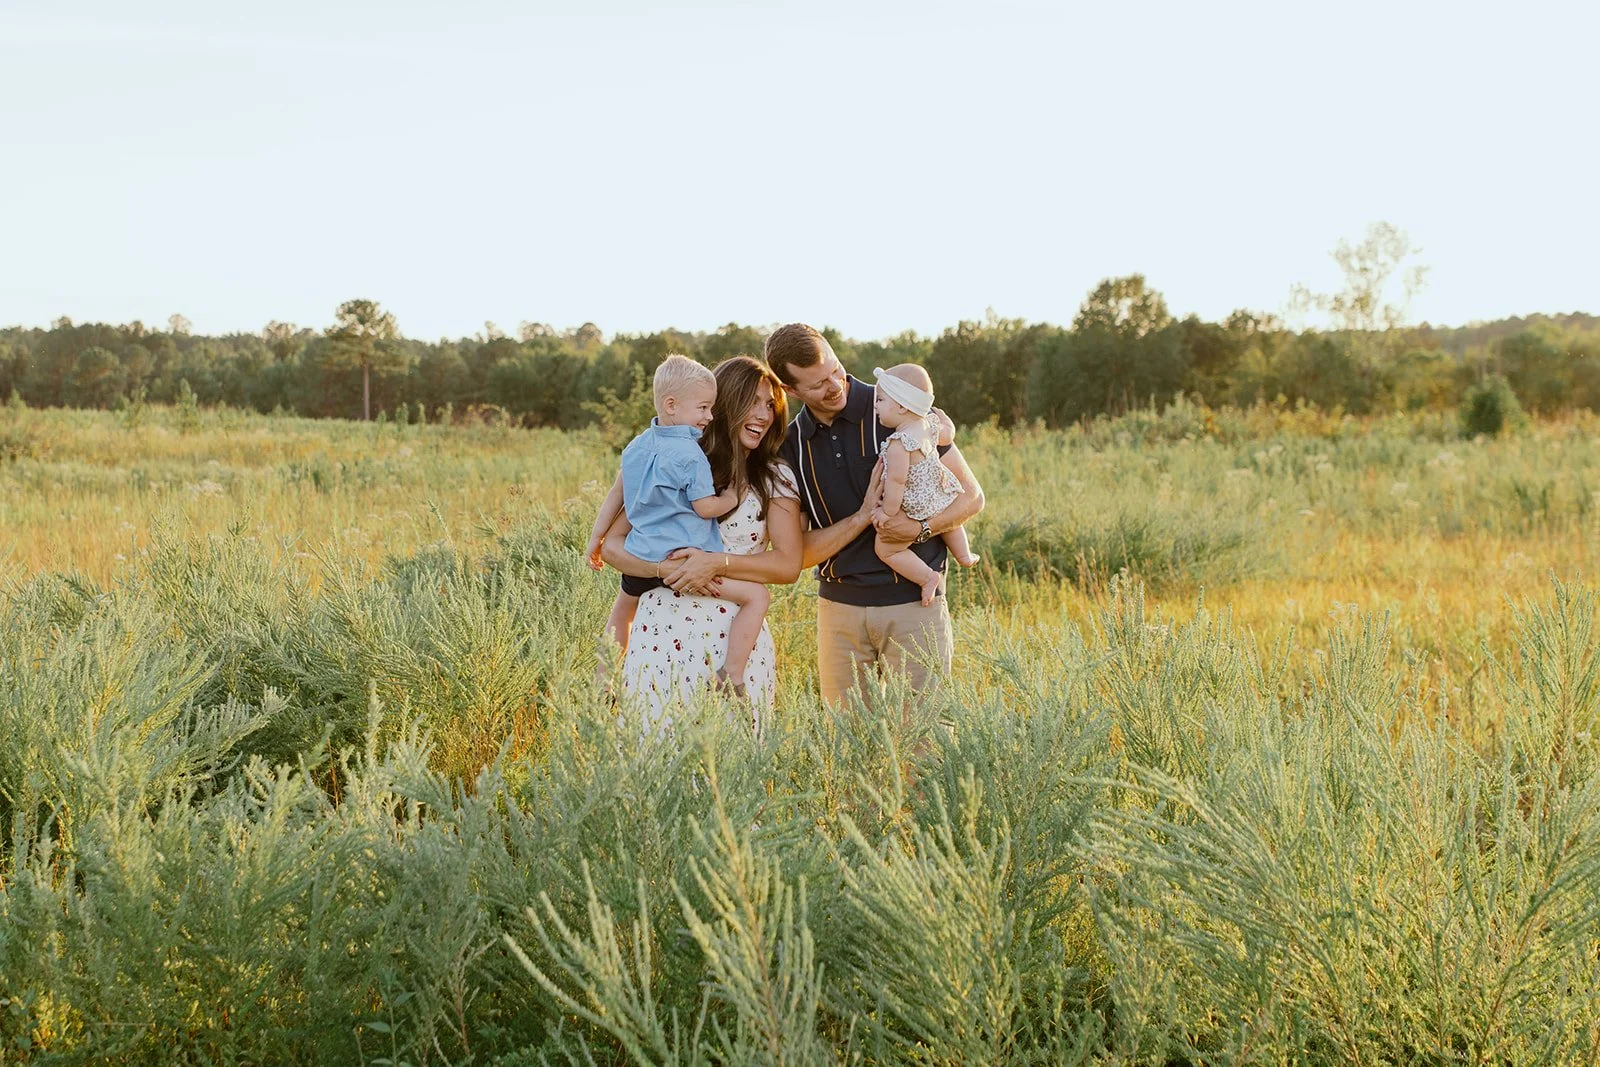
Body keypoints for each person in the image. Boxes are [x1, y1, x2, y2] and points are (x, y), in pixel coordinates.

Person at [766, 324, 985, 706]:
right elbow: (797, 553)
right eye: (817, 384)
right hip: (839, 613)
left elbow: (971, 498)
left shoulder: (898, 403)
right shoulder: (789, 447)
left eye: (835, 369)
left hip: (916, 605)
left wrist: (919, 529)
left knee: (927, 745)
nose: (834, 385)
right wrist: (862, 517)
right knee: (850, 745)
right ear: (790, 390)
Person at [598, 357, 803, 726]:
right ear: (721, 405)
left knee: (730, 770)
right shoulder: (675, 461)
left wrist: (715, 563)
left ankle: (732, 676)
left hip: (731, 642)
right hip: (658, 639)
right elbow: (612, 546)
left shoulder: (774, 475)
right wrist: (664, 569)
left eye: (770, 404)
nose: (763, 414)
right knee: (653, 760)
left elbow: (788, 565)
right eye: (752, 401)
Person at [869, 364, 980, 605]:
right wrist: (945, 421)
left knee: (886, 549)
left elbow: (896, 483)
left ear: (900, 406)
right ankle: (964, 554)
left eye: (880, 400)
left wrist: (886, 513)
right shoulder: (928, 425)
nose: (875, 405)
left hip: (915, 505)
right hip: (938, 494)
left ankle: (927, 578)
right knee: (950, 521)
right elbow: (948, 435)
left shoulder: (899, 443)